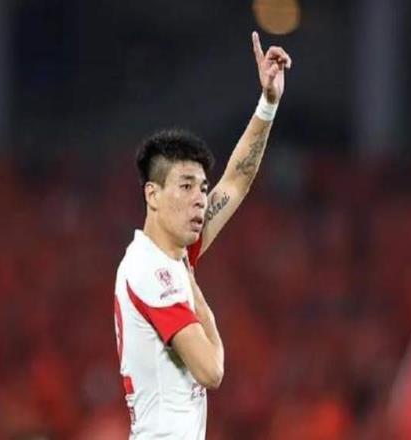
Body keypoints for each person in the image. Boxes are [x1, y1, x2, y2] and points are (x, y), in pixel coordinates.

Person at [114, 32, 292, 439]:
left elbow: (237, 179)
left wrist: (268, 102)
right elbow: (211, 370)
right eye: (186, 186)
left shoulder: (172, 255)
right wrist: (200, 301)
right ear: (152, 194)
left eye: (202, 187)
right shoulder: (151, 270)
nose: (200, 198)